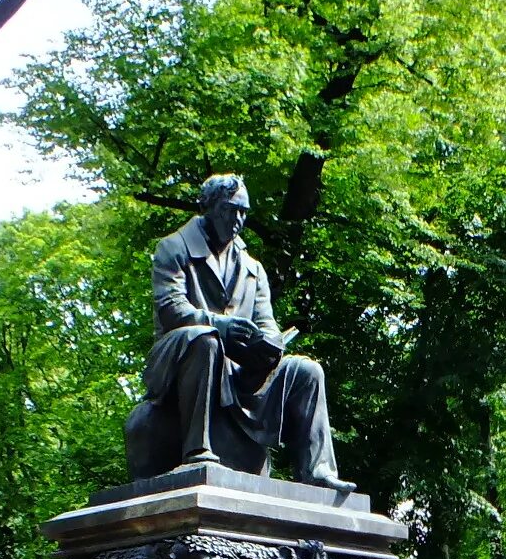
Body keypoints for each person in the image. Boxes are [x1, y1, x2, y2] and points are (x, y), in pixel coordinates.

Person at [123, 174, 353, 489]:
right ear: (209, 208)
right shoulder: (174, 248)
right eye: (232, 210)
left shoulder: (252, 267)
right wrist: (220, 326)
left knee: (307, 371)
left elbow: (267, 323)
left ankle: (316, 471)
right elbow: (172, 310)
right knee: (205, 338)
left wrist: (269, 344)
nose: (239, 220)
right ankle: (197, 452)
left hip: (240, 370)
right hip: (182, 358)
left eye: (244, 212)